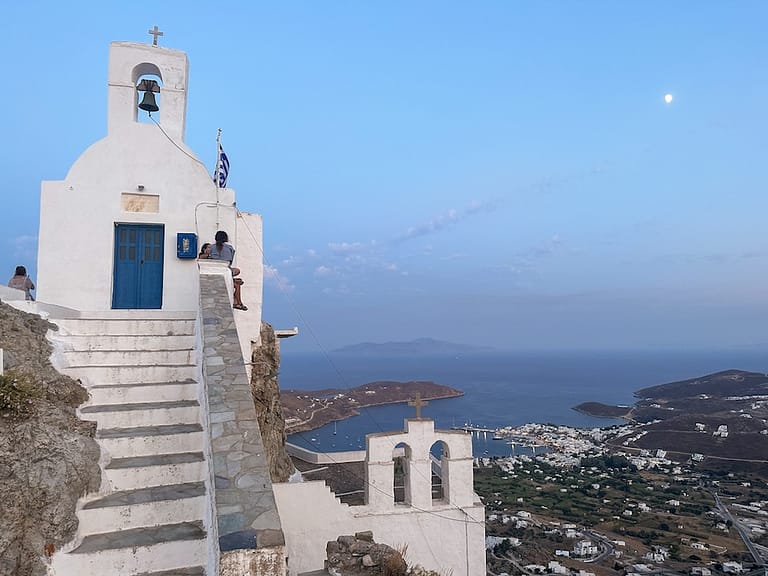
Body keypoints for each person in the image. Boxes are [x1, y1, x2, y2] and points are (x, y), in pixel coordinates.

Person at [208, 230, 247, 310]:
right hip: (225, 270)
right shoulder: (230, 248)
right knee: (237, 278)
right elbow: (230, 262)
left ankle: (238, 301)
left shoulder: (211, 247)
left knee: (236, 275)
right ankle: (238, 302)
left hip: (215, 269)